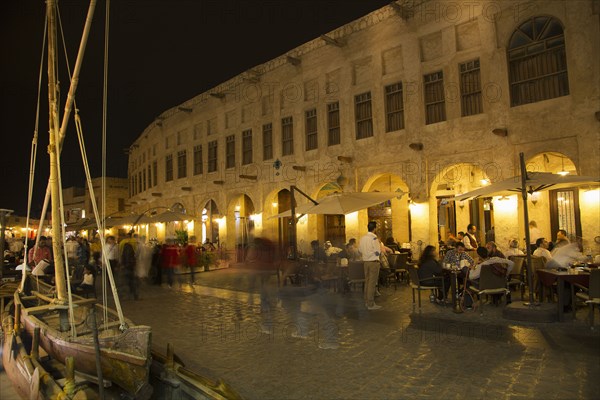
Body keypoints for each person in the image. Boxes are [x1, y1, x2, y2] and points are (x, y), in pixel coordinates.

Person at [358, 221, 383, 310]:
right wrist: (375, 255)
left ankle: (366, 301)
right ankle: (371, 303)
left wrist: (366, 254)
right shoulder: (374, 238)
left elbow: (360, 250)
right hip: (373, 262)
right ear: (375, 228)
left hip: (366, 262)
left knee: (367, 282)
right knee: (372, 283)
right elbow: (378, 251)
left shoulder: (363, 238)